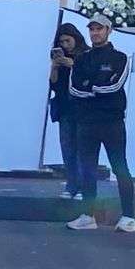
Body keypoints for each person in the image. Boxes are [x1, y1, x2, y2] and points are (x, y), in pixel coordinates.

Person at [66, 14, 135, 233]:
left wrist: (91, 87)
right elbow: (74, 89)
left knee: (119, 166)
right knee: (87, 168)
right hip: (86, 122)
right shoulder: (81, 59)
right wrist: (96, 87)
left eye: (99, 29)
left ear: (109, 30)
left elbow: (114, 85)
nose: (95, 33)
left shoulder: (120, 58)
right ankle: (88, 216)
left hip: (112, 122)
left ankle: (128, 216)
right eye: (92, 29)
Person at [48, 24, 90, 200]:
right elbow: (54, 84)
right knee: (67, 148)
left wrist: (73, 65)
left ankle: (83, 186)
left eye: (68, 41)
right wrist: (55, 66)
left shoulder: (85, 55)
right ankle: (71, 183)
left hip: (82, 107)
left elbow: (89, 78)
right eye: (62, 42)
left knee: (82, 148)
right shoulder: (60, 57)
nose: (65, 45)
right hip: (65, 106)